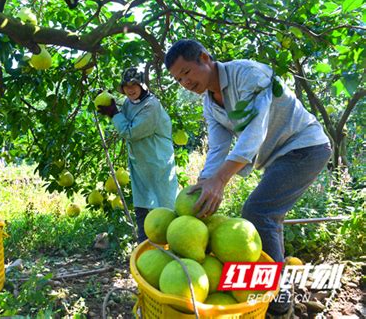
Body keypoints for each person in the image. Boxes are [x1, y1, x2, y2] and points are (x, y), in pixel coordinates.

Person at [164, 39, 331, 317]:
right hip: (281, 156)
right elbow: (218, 147)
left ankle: (277, 301)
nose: (184, 82)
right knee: (267, 215)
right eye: (178, 79)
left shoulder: (249, 75)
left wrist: (221, 180)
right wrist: (206, 182)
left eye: (186, 72)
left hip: (305, 147)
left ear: (205, 58)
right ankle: (275, 291)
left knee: (259, 212)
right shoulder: (210, 103)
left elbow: (255, 131)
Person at [97, 67, 178, 243]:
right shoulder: (129, 103)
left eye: (134, 85)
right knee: (142, 208)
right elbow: (123, 117)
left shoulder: (151, 106)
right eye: (126, 86)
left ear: (142, 86)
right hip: (140, 165)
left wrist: (114, 113)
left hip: (158, 165)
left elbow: (130, 132)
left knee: (166, 209)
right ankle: (144, 249)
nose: (130, 89)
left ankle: (174, 248)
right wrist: (109, 105)